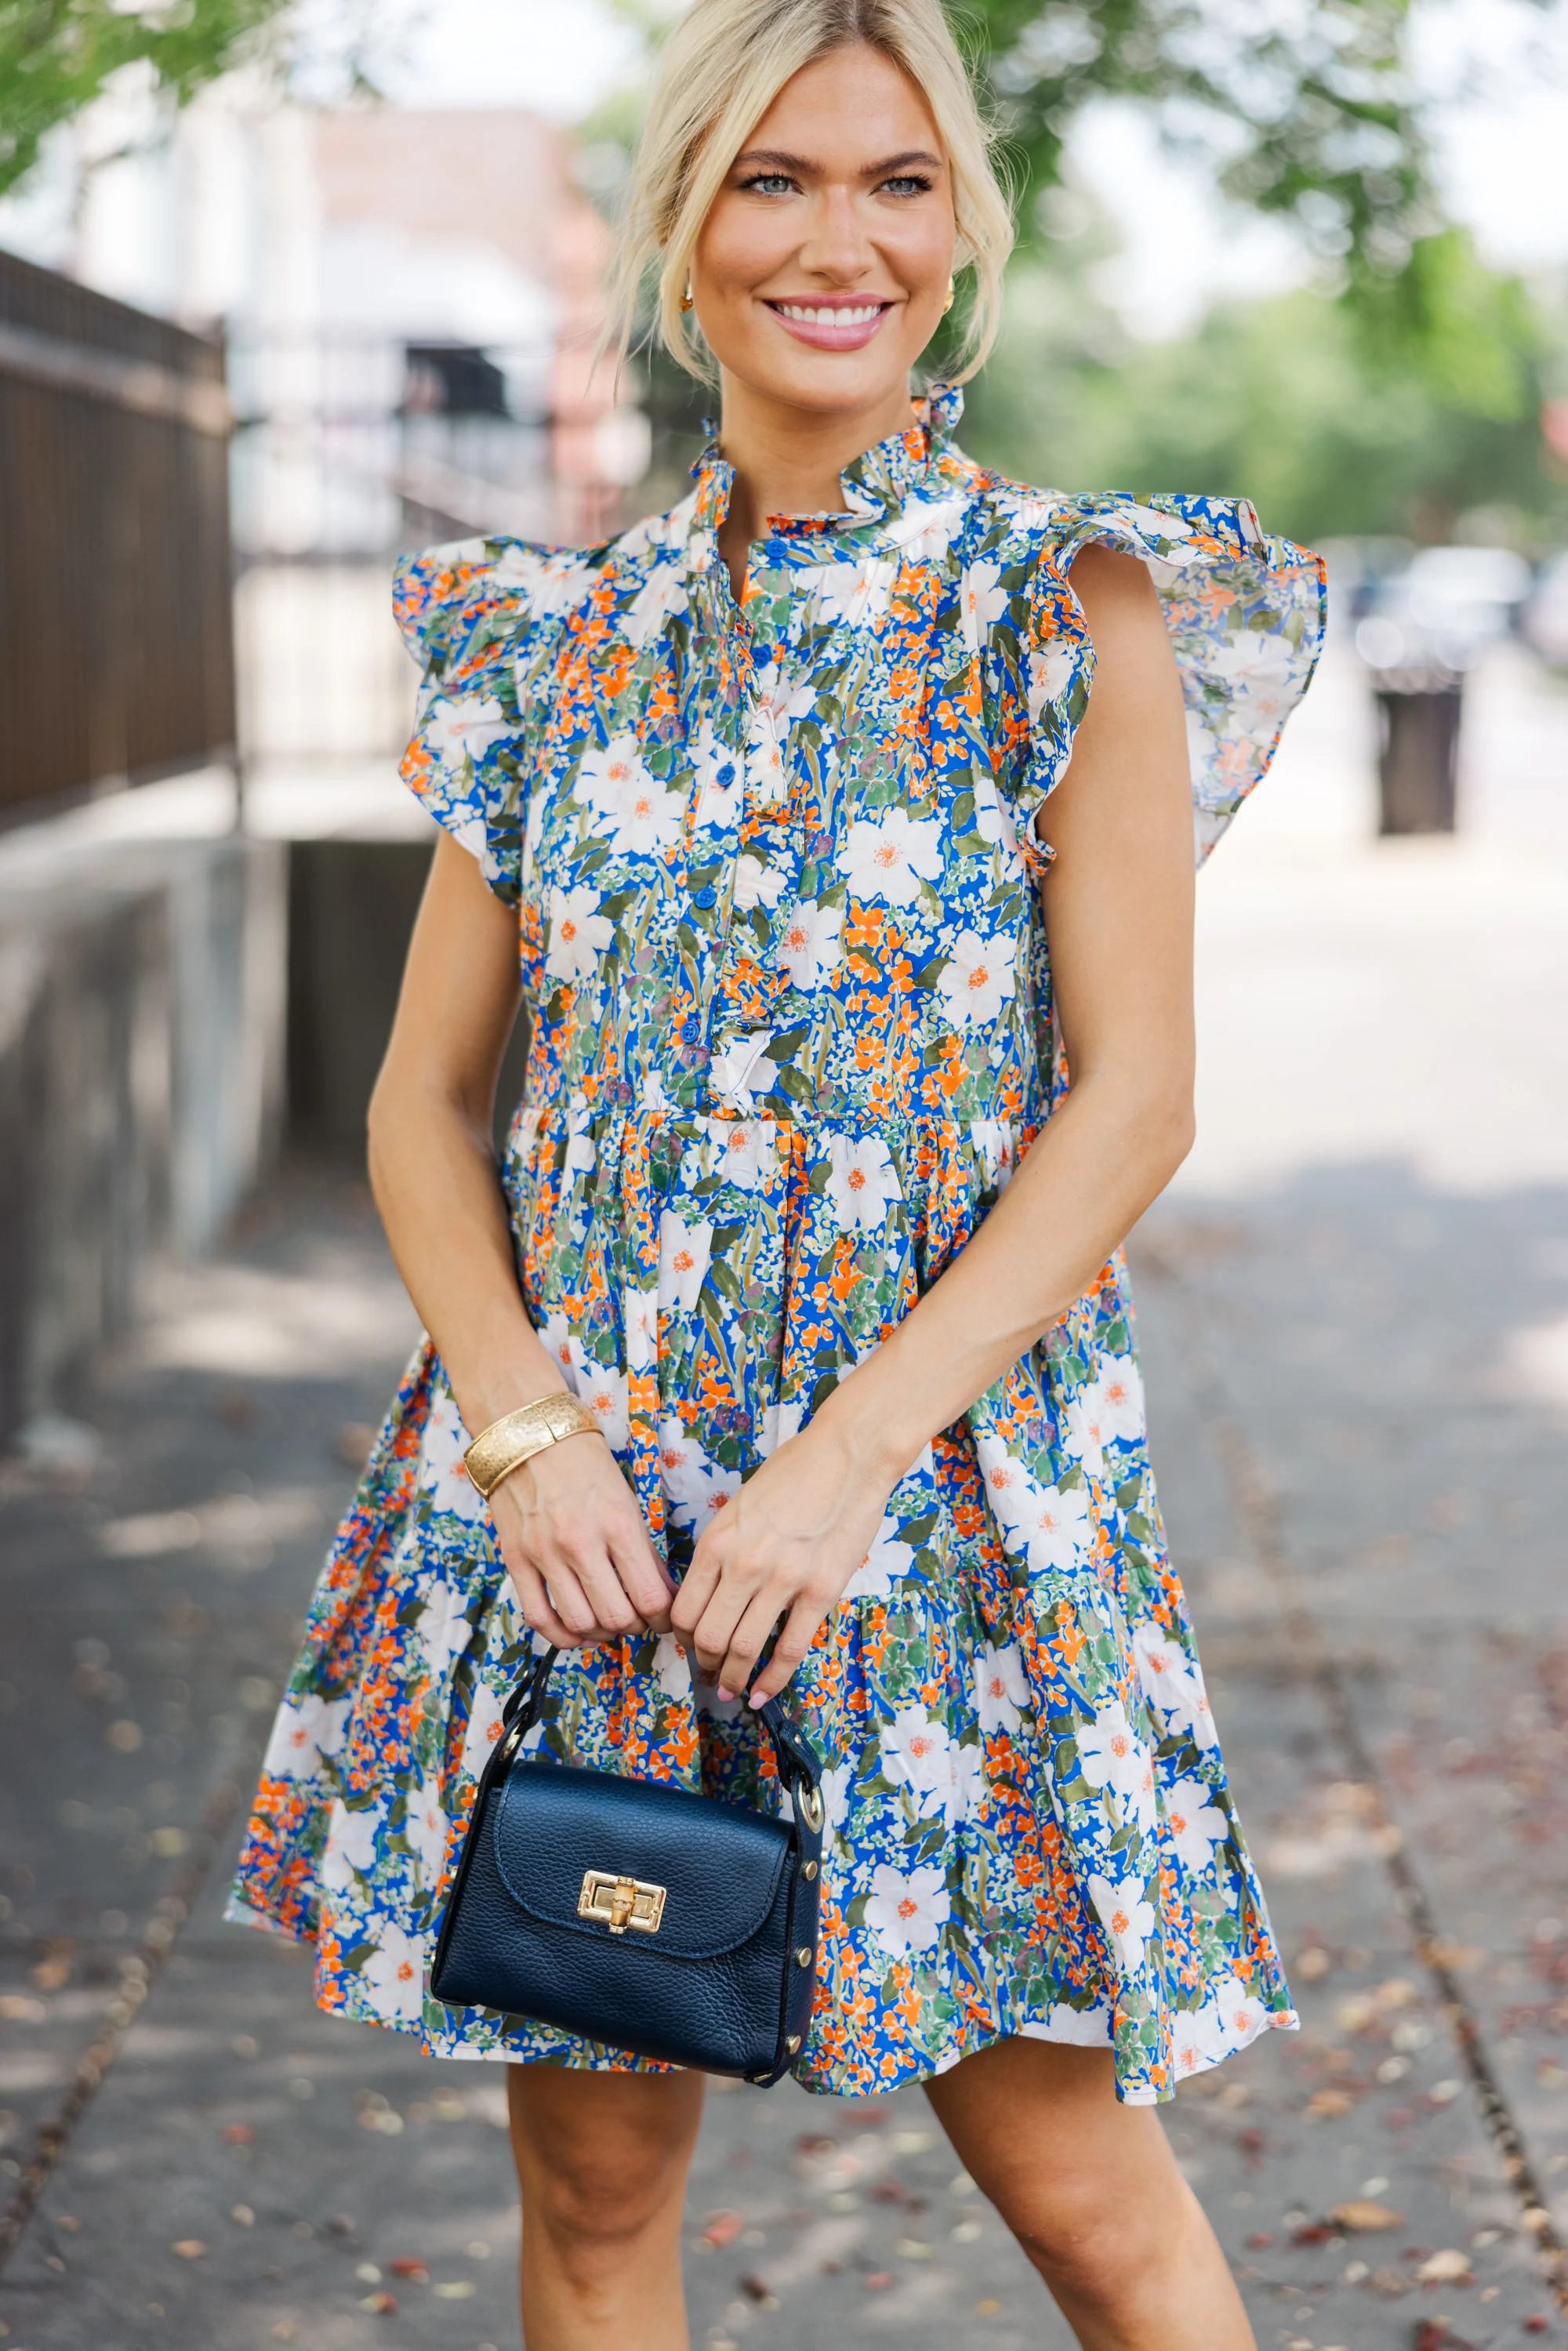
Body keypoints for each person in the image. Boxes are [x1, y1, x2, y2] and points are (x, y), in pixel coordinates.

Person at [230, 2, 1325, 2342]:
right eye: (778, 180)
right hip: (596, 1535)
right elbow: (420, 1106)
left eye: (900, 183)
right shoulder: (549, 646)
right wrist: (524, 1432)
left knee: (1091, 2209)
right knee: (600, 2207)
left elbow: (1136, 1101)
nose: (846, 240)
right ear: (681, 230)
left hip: (939, 1516)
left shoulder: (1068, 604)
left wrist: (841, 1469)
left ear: (962, 235)